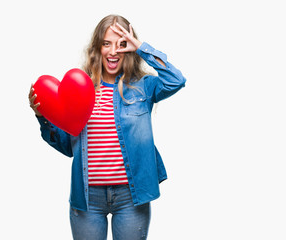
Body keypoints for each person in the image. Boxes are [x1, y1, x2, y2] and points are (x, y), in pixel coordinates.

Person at [29, 14, 186, 240]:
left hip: (131, 197)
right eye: (106, 43)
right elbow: (66, 147)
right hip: (87, 198)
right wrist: (42, 116)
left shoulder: (143, 87)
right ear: (97, 48)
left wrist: (141, 47)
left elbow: (176, 80)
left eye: (121, 45)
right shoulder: (80, 90)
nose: (113, 51)